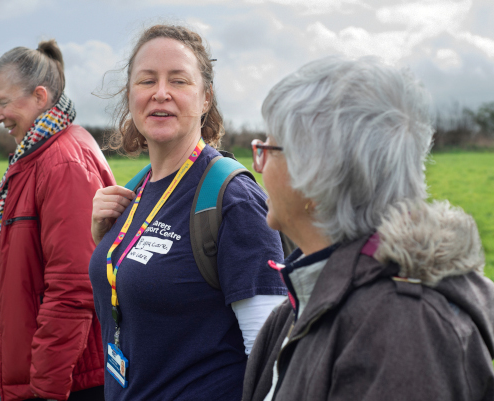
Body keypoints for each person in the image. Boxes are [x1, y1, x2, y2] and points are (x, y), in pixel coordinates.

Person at [242, 56, 494, 401]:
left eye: (266, 149)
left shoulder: (404, 330)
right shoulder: (299, 304)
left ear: (316, 177)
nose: (258, 166)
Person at [88, 24, 287, 401]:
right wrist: (106, 242)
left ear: (206, 98)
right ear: (130, 94)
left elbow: (270, 363)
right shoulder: (135, 188)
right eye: (147, 81)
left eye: (178, 81)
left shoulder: (233, 199)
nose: (160, 93)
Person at [0, 39, 115, 401]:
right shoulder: (38, 154)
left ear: (40, 97)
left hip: (70, 381)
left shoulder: (61, 163)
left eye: (2, 102)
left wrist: (46, 389)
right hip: (61, 373)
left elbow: (72, 289)